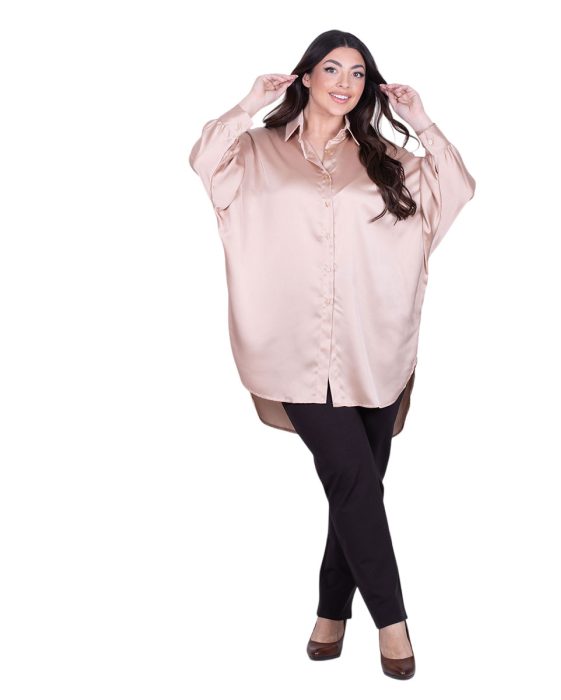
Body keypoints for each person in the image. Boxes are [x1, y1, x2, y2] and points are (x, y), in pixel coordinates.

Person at [189, 30, 476, 680]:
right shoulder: (256, 150)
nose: (344, 82)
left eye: (357, 73)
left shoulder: (386, 159)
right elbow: (203, 159)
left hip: (372, 349)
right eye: (331, 69)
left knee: (359, 488)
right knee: (353, 481)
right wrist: (248, 103)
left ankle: (330, 614)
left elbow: (456, 189)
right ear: (307, 76)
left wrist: (423, 122)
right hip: (289, 346)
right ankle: (394, 625)